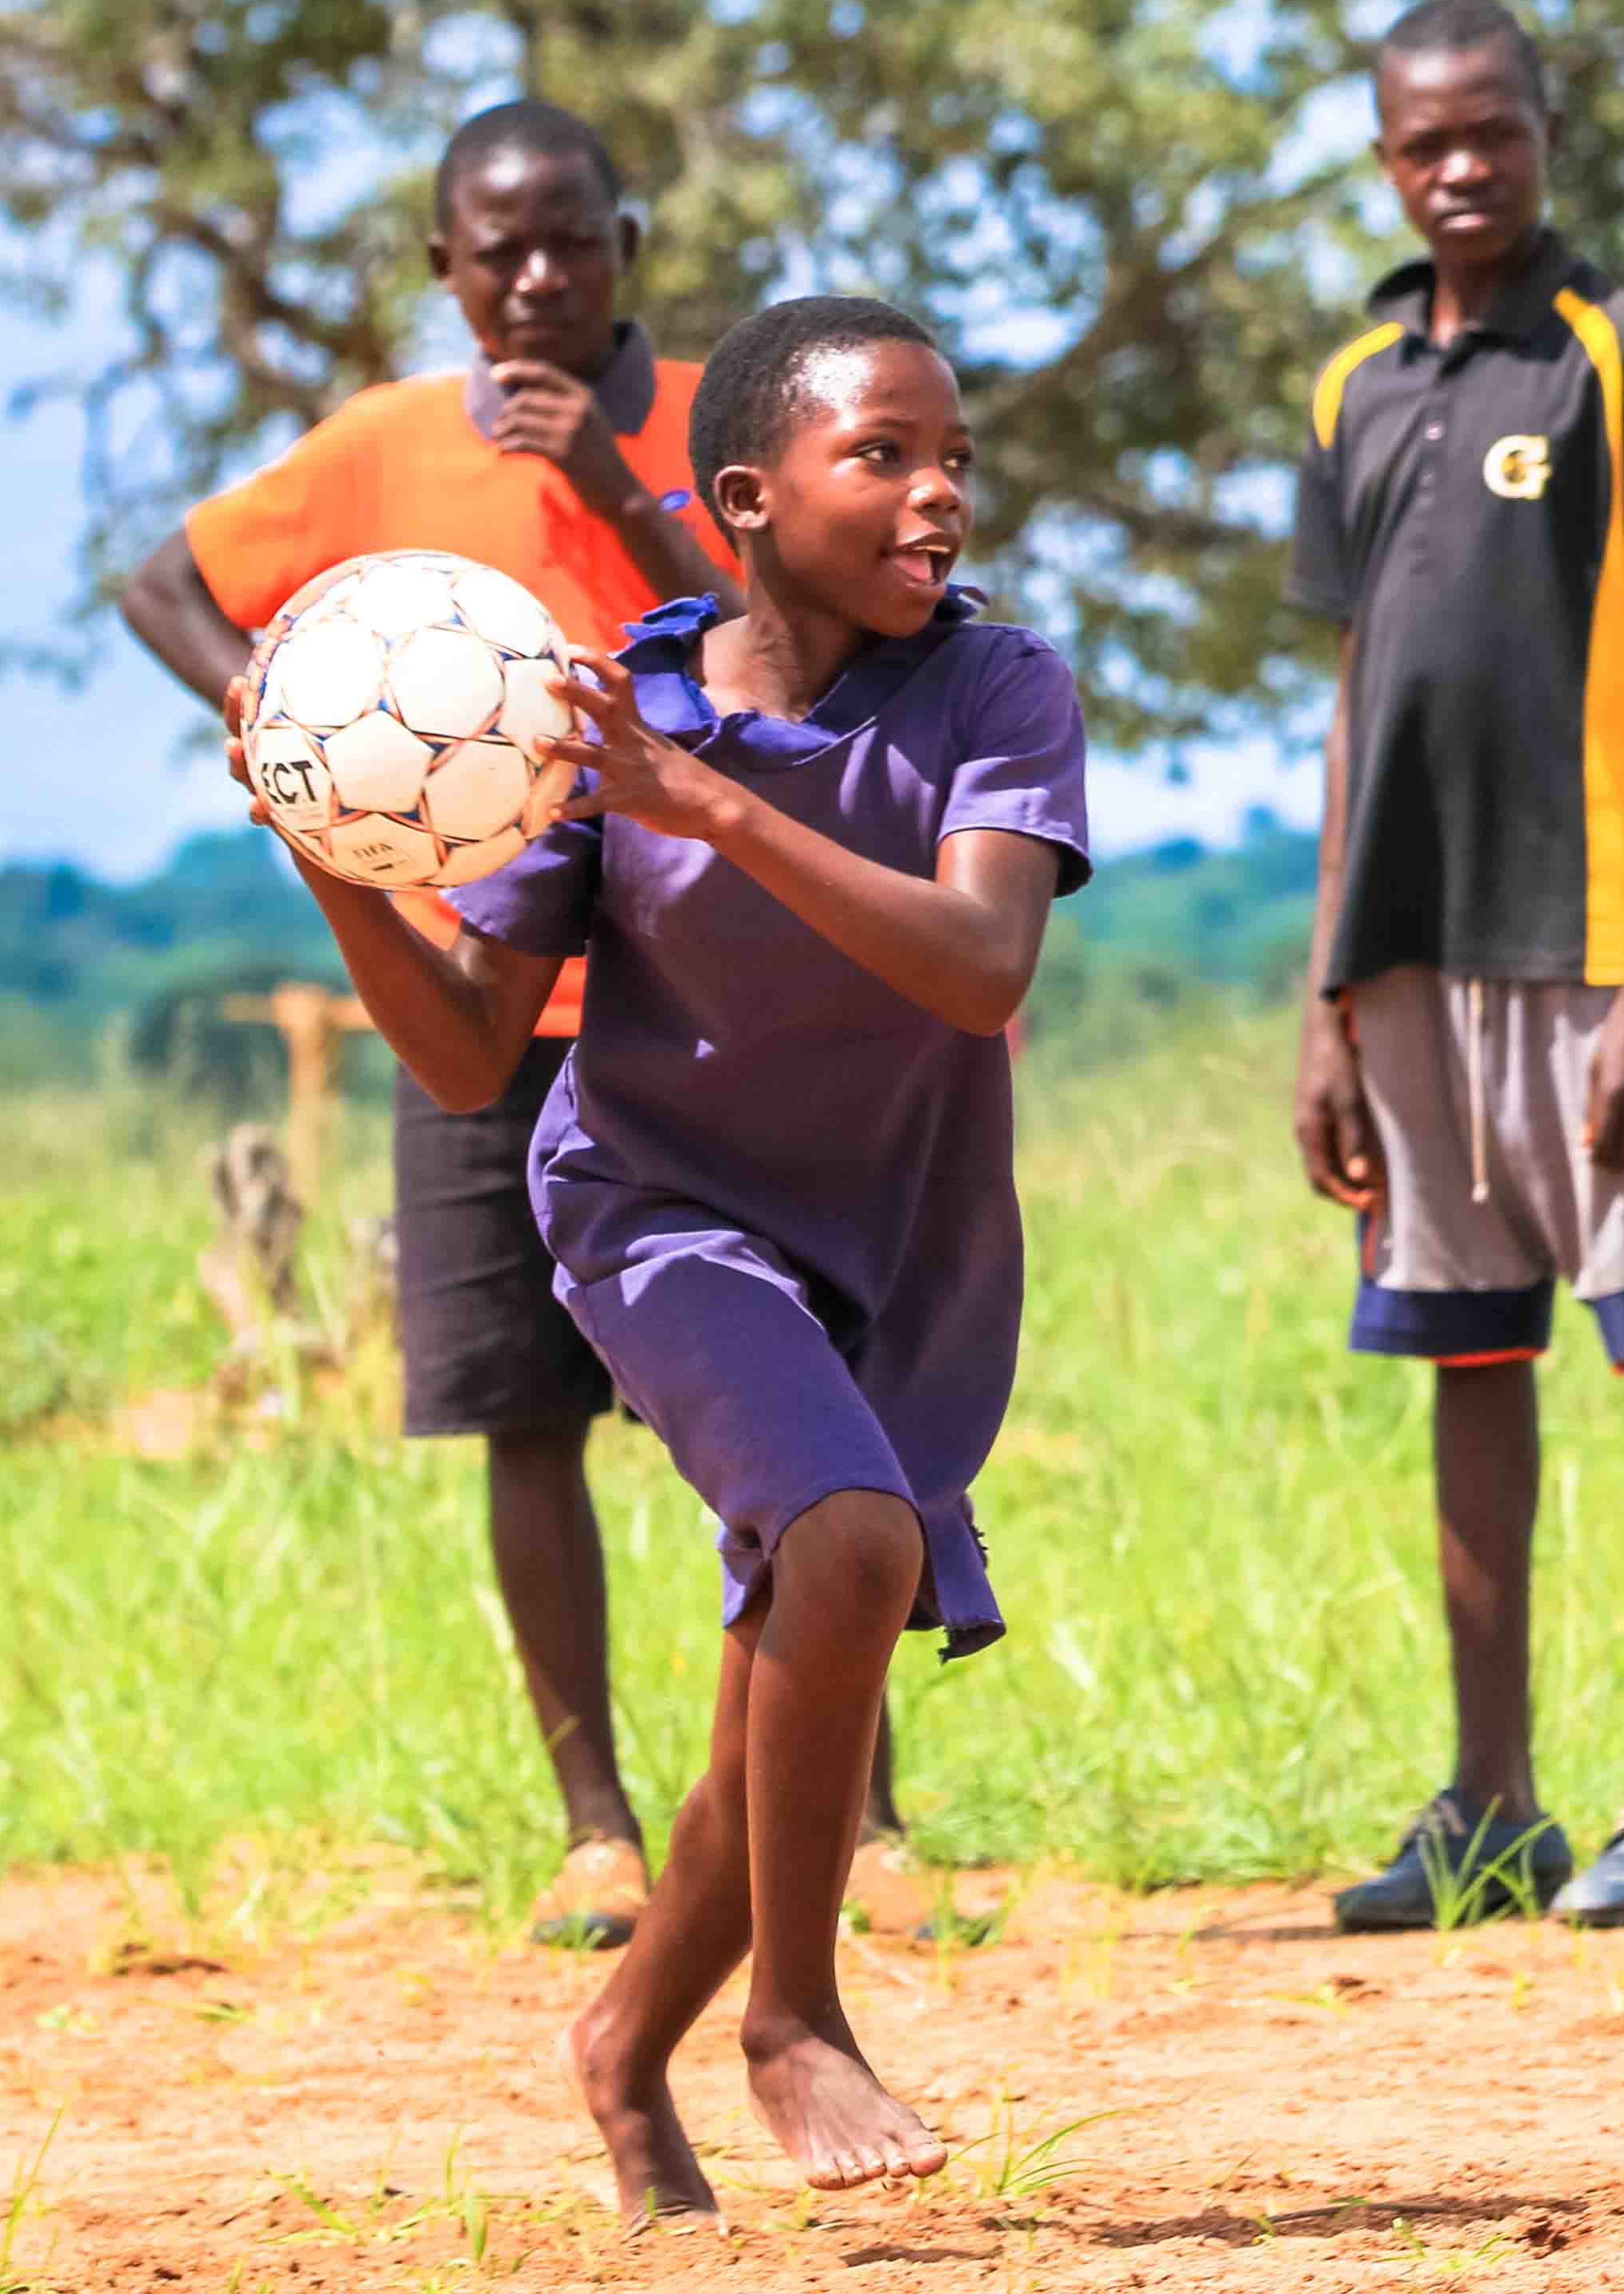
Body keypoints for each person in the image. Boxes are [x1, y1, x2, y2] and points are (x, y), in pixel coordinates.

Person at [238, 293, 1086, 2211]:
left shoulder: (997, 694)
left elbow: (983, 966)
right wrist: (335, 856)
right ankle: (793, 2016)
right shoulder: (604, 715)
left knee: (778, 1697)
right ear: (747, 500)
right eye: (886, 455)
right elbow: (466, 1045)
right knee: (851, 1547)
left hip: (913, 1248)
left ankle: (626, 2049)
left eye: (956, 455)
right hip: (662, 1215)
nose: (940, 491)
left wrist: (712, 806)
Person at [120, 101, 900, 1947]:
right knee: (520, 1414)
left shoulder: (730, 417)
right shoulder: (380, 446)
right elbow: (166, 584)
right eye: (498, 250)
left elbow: (805, 624)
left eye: (571, 240)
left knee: (795, 1403)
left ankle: (858, 1820)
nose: (537, 278)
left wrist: (627, 495)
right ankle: (597, 1830)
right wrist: (292, 734)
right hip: (471, 990)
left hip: (713, 994)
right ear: (442, 268)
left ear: (627, 239)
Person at [1286, 0, 1624, 1932]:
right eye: (1426, 144)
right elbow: (1353, 697)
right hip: (1403, 954)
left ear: (1546, 133)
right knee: (1465, 1344)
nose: (1462, 168)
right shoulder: (1351, 390)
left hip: (1592, 937)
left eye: (1493, 132)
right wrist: (1326, 989)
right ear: (1387, 164)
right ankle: (1493, 1803)